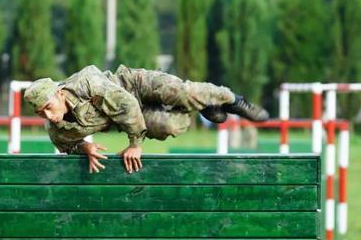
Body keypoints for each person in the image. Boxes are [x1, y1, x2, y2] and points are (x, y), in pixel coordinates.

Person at [23, 65, 269, 174]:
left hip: (134, 86)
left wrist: (135, 145)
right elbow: (67, 146)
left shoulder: (86, 85)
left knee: (182, 93)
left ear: (59, 93)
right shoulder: (55, 129)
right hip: (124, 117)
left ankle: (233, 99)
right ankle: (203, 108)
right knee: (172, 125)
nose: (46, 115)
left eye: (47, 107)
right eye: (39, 113)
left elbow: (127, 104)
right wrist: (84, 147)